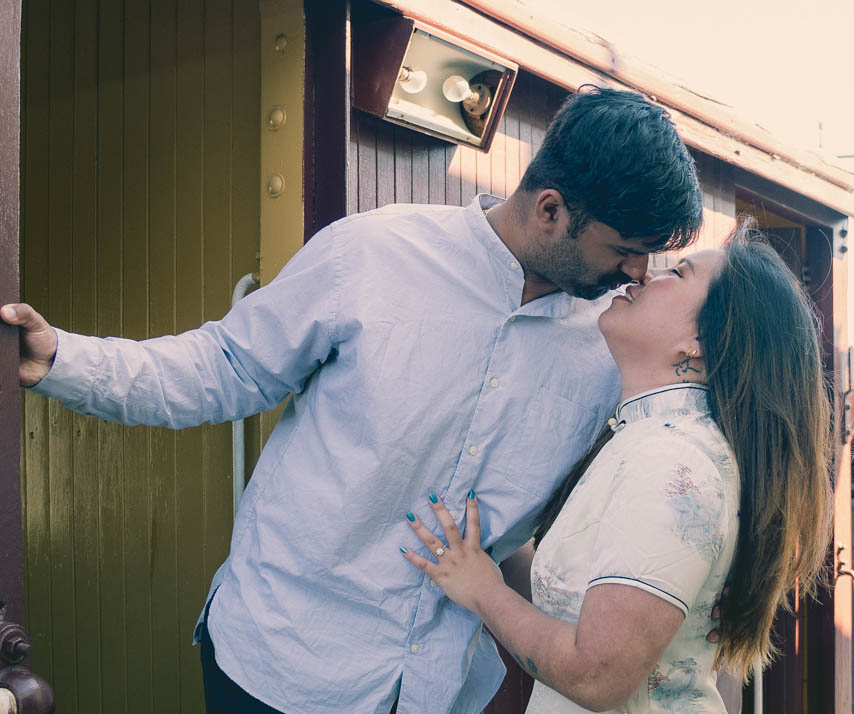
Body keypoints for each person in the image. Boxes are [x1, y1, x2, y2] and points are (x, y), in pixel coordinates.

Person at [2, 86, 704, 713]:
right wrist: (65, 359)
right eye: (626, 250)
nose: (638, 274)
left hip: (443, 690)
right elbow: (222, 367)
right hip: (279, 668)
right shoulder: (370, 255)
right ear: (551, 209)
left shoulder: (613, 341)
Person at [401, 231, 834, 713]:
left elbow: (598, 675)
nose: (647, 273)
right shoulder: (648, 438)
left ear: (699, 344)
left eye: (678, 273)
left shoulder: (673, 461)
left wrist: (482, 591)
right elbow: (576, 595)